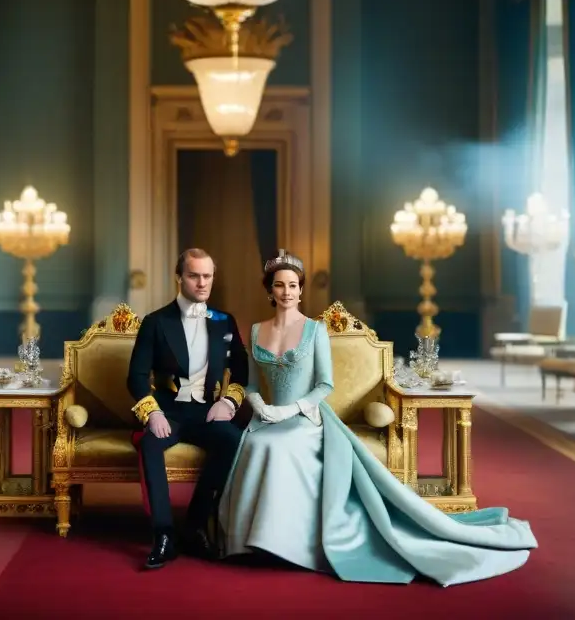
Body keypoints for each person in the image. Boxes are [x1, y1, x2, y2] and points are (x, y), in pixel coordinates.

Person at [217, 250, 538, 587]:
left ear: (301, 290)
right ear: (270, 290)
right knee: (254, 443)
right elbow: (251, 383)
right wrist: (260, 405)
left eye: (293, 285)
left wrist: (290, 410)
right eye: (279, 285)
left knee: (279, 449)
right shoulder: (255, 331)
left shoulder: (314, 331)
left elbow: (324, 384)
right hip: (267, 418)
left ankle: (287, 544)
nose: (286, 292)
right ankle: (252, 541)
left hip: (306, 419)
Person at [127, 248, 249, 570]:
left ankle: (195, 526)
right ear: (180, 277)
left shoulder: (225, 321)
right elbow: (136, 376)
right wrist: (152, 414)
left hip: (207, 411)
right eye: (194, 275)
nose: (202, 282)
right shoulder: (155, 322)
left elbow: (241, 372)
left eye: (207, 276)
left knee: (232, 440)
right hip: (167, 411)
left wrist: (228, 402)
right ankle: (163, 535)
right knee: (150, 444)